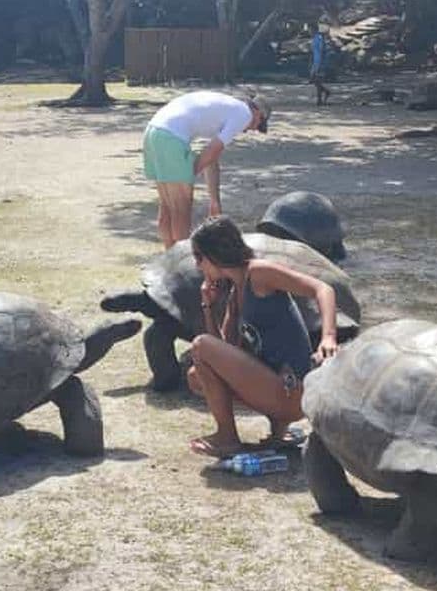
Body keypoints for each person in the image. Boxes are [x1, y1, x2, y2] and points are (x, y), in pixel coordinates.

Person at [186, 216, 339, 457]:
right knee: (196, 375)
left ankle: (227, 438)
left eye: (199, 257)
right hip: (275, 386)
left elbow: (323, 289)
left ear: (215, 255)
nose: (197, 266)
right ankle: (277, 431)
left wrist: (328, 336)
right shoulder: (236, 292)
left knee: (200, 345)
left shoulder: (259, 273)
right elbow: (223, 356)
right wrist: (208, 306)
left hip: (293, 390)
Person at [143, 91, 271, 249]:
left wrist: (214, 201)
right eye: (258, 123)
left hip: (153, 131)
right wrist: (188, 176)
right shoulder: (243, 114)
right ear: (257, 111)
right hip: (171, 136)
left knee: (168, 205)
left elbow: (211, 158)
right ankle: (182, 261)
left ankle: (169, 256)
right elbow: (212, 151)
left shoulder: (226, 109)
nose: (252, 129)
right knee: (181, 207)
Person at [310, 26, 331, 106]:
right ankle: (325, 92)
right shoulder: (315, 38)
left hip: (319, 61)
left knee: (317, 79)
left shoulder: (319, 38)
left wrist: (320, 63)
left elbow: (322, 50)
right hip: (316, 61)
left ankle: (320, 99)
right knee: (313, 79)